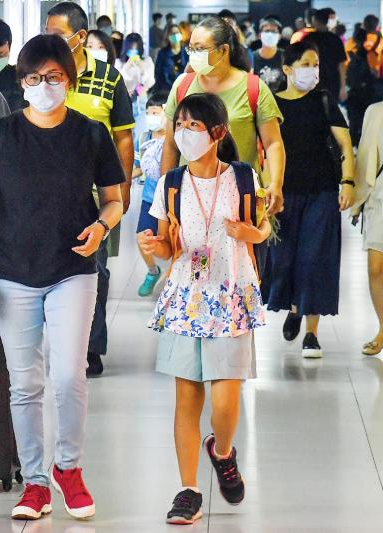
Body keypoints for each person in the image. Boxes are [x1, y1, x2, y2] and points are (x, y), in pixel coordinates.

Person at [0, 34, 125, 521]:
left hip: (72, 269)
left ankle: (68, 468)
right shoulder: (0, 135)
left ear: (69, 81)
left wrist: (102, 228)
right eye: (34, 78)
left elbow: (114, 200)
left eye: (54, 77)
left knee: (70, 375)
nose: (44, 86)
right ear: (22, 82)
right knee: (24, 383)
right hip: (11, 273)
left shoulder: (90, 134)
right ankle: (35, 482)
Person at [138, 93, 270, 525]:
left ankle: (223, 451)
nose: (183, 133)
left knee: (226, 402)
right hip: (185, 298)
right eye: (179, 124)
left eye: (193, 125)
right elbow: (167, 246)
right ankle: (188, 489)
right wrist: (153, 246)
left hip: (231, 296)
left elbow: (263, 228)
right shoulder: (171, 183)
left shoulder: (244, 178)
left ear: (218, 132)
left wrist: (250, 233)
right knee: (187, 397)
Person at [45, 1, 135, 377]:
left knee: (94, 268)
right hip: (47, 191)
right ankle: (62, 342)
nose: (50, 40)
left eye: (57, 34)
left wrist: (122, 189)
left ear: (79, 37)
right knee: (51, 268)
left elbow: (124, 136)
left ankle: (91, 346)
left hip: (96, 193)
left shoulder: (109, 78)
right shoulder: (43, 74)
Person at [263, 41, 355, 358]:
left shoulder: (324, 100)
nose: (312, 70)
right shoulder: (272, 104)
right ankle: (294, 307)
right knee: (284, 259)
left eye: (315, 64)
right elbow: (265, 150)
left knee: (315, 259)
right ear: (287, 69)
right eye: (305, 64)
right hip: (283, 192)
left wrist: (348, 182)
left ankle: (312, 334)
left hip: (322, 191)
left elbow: (345, 145)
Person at [161, 16, 285, 219]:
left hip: (241, 198)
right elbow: (170, 145)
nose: (194, 55)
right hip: (190, 198)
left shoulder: (253, 88)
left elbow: (273, 142)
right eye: (191, 49)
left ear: (224, 50)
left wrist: (276, 184)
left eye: (200, 49)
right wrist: (165, 190)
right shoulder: (182, 86)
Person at [353, 101, 383, 355]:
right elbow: (364, 158)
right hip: (380, 198)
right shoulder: (375, 111)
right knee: (376, 267)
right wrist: (357, 201)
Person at [136, 91, 169, 297]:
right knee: (142, 237)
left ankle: (174, 278)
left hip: (170, 200)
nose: (151, 117)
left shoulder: (174, 138)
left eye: (155, 113)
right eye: (148, 113)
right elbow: (139, 167)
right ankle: (152, 271)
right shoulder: (144, 137)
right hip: (149, 198)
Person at [347, 26, 383, 146]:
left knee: (354, 119)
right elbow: (375, 73)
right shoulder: (370, 54)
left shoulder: (350, 53)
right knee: (366, 118)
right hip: (367, 91)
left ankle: (354, 140)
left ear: (354, 38)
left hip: (354, 91)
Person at [303, 8, 348, 101]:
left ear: (315, 21)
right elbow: (341, 65)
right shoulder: (336, 39)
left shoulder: (308, 39)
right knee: (331, 107)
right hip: (333, 82)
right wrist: (343, 87)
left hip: (313, 82)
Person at [115, 33, 156, 98]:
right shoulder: (118, 62)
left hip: (141, 96)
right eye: (131, 48)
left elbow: (150, 82)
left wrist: (143, 70)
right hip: (123, 96)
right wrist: (125, 69)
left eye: (136, 48)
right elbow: (117, 83)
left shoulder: (147, 61)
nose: (133, 51)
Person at [253, 17, 286, 93]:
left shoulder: (286, 56)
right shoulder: (251, 57)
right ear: (260, 35)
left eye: (274, 31)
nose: (270, 34)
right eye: (267, 31)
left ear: (279, 36)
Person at [345, 15, 383, 79]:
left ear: (364, 26)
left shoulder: (351, 41)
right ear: (377, 27)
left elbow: (345, 62)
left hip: (355, 78)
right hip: (374, 77)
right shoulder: (381, 42)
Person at [154, 24, 188, 92]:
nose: (175, 35)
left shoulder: (187, 52)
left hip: (184, 89)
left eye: (177, 33)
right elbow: (158, 73)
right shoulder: (162, 53)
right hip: (166, 90)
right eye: (172, 33)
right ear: (168, 36)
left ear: (181, 35)